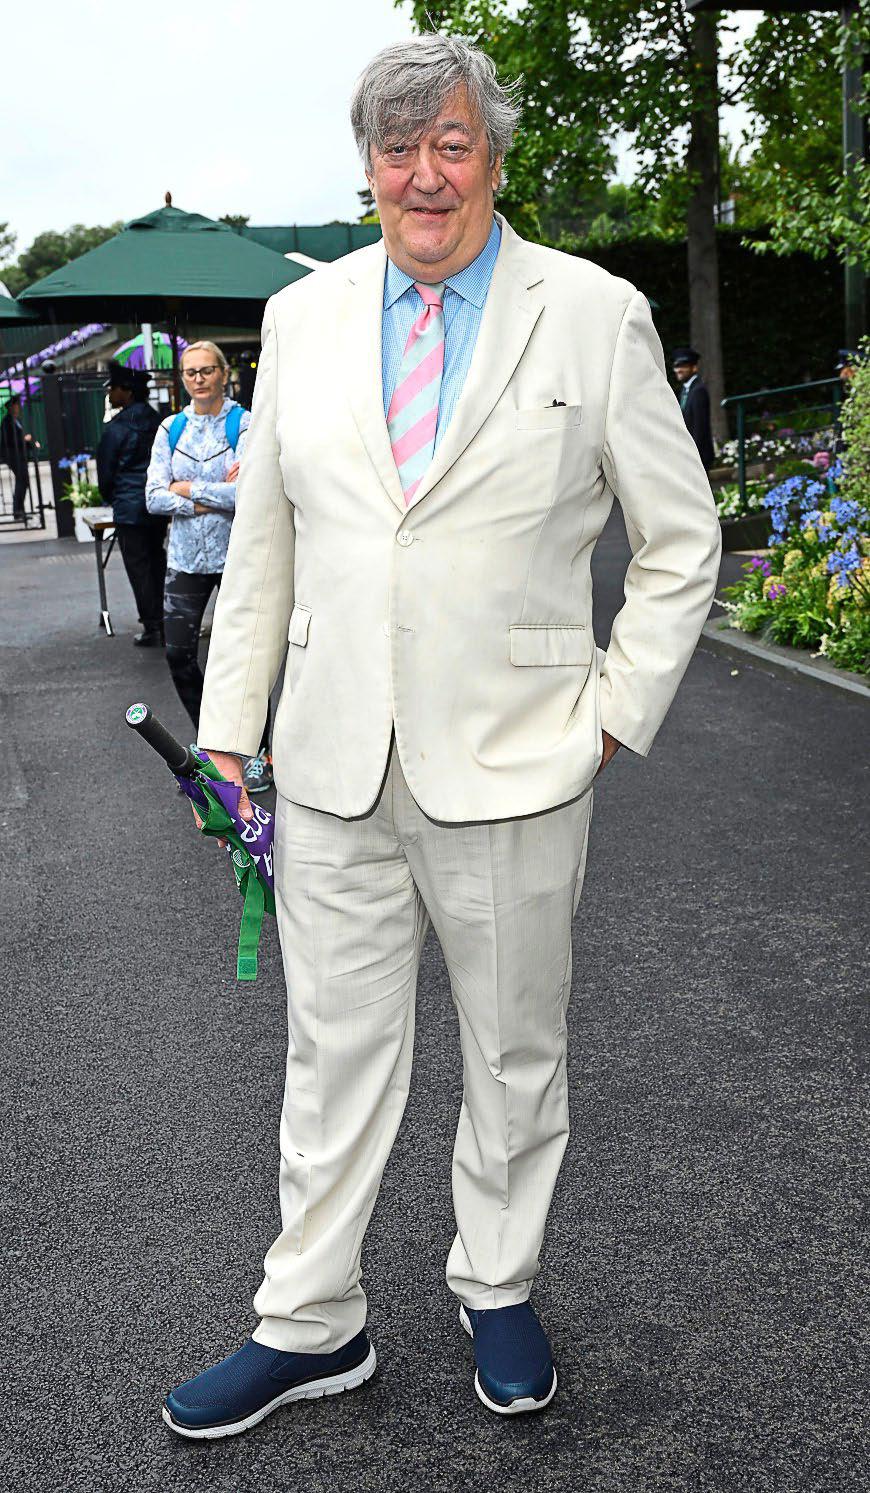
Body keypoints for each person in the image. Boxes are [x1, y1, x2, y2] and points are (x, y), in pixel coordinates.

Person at [162, 35, 721, 1438]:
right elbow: (267, 549)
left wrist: (610, 714)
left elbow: (680, 541)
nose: (425, 174)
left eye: (451, 144)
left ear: (493, 159)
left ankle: (498, 1283)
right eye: (398, 148)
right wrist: (227, 736)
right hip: (331, 759)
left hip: (522, 759)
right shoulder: (303, 319)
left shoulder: (592, 313)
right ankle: (310, 1320)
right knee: (330, 1053)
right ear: (367, 167)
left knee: (515, 1050)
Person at [145, 341, 271, 793]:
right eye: (190, 372)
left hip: (239, 556)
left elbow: (250, 493)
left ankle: (259, 752)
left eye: (206, 370)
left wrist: (186, 489)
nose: (198, 379)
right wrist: (214, 493)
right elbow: (153, 497)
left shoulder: (246, 424)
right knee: (178, 654)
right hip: (186, 560)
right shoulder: (171, 428)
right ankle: (216, 748)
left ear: (223, 373)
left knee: (248, 657)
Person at [96, 362, 165, 645]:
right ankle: (165, 622)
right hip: (156, 504)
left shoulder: (117, 428)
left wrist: (113, 498)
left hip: (129, 506)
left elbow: (105, 474)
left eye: (113, 388)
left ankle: (152, 626)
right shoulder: (159, 422)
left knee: (138, 567)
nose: (110, 393)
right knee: (157, 561)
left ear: (127, 391)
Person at [672, 346, 715, 471]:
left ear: (694, 368)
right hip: (688, 454)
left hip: (697, 456)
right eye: (676, 366)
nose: (678, 370)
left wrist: (692, 456)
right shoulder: (685, 390)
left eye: (683, 366)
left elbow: (699, 427)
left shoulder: (698, 391)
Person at [0, 393, 34, 523]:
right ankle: (18, 511)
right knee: (22, 480)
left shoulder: (16, 420)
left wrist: (28, 442)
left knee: (23, 481)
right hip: (13, 456)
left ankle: (20, 511)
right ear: (11, 407)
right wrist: (24, 439)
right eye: (17, 405)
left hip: (20, 455)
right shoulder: (7, 422)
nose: (19, 407)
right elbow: (9, 440)